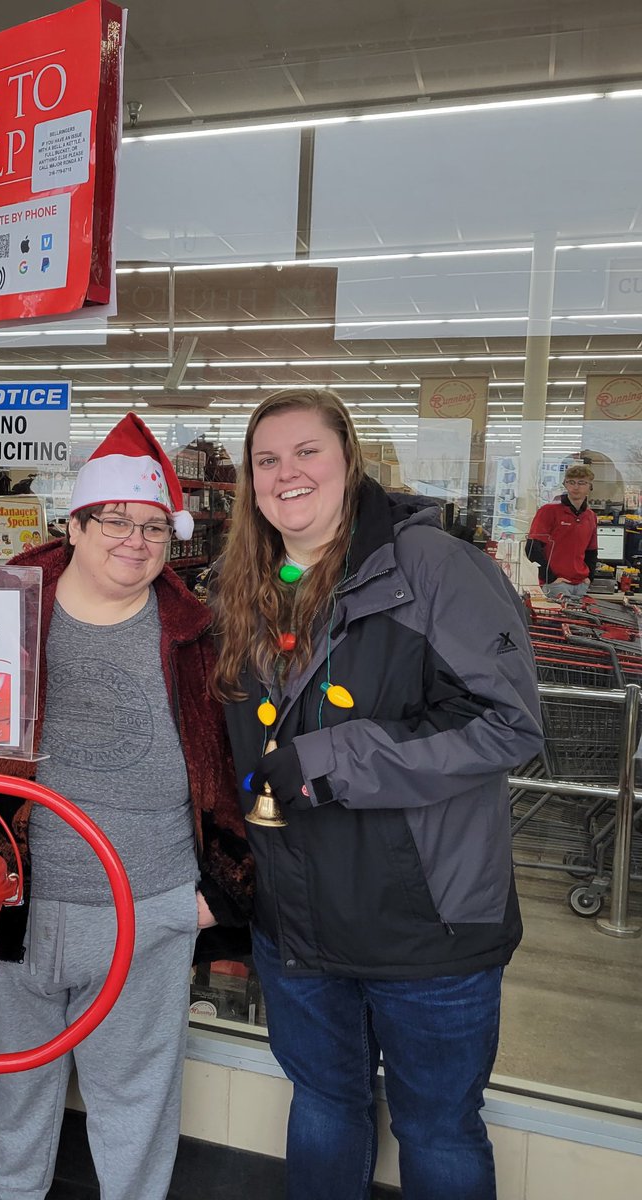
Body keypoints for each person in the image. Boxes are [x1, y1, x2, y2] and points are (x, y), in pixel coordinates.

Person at [212, 389, 543, 1200]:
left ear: (350, 459)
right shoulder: (252, 584)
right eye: (266, 460)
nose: (286, 473)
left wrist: (331, 758)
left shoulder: (435, 569)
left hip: (425, 924)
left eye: (306, 452)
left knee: (436, 1129)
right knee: (325, 1106)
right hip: (299, 922)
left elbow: (508, 724)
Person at [0, 413, 253, 1200]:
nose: (135, 540)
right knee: (20, 1095)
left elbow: (232, 770)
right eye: (115, 519)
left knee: (137, 1105)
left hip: (148, 911)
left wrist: (213, 897)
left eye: (153, 527)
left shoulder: (195, 635)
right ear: (74, 525)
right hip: (21, 907)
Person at [525, 463, 598, 602]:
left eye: (581, 483)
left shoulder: (590, 516)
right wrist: (551, 579)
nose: (576, 487)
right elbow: (531, 548)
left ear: (590, 487)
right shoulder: (548, 511)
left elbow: (591, 551)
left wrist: (589, 578)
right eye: (571, 482)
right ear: (565, 484)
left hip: (581, 585)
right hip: (556, 584)